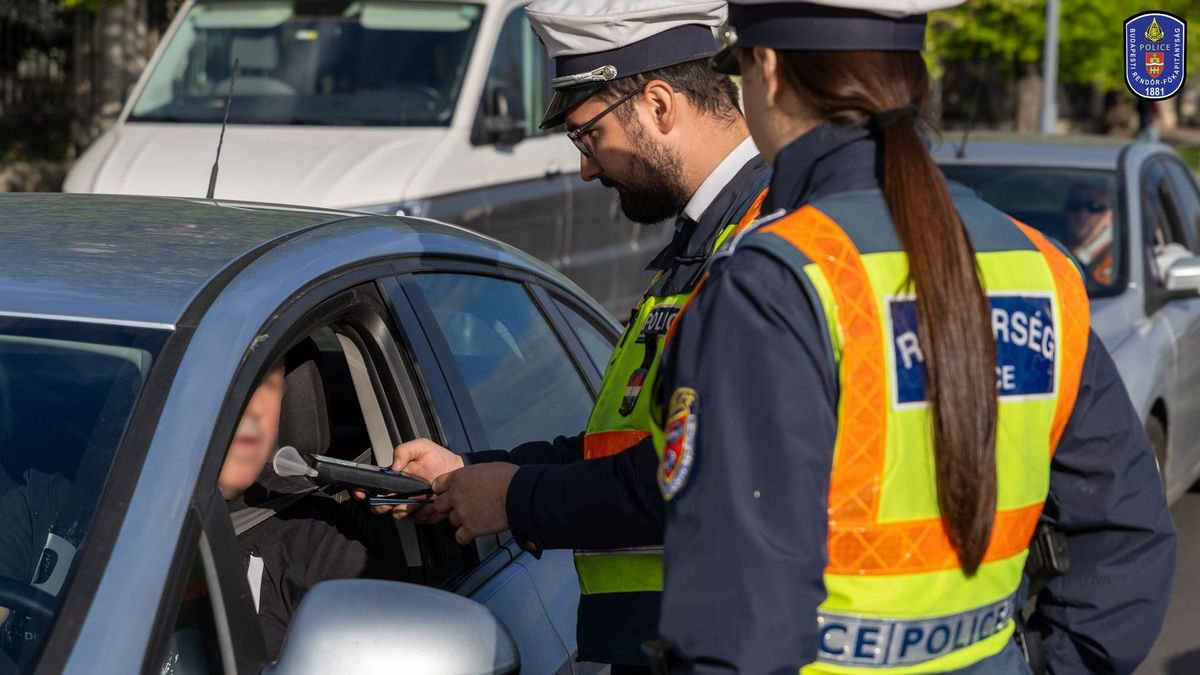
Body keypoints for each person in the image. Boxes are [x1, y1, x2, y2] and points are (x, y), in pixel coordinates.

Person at [652, 2, 1177, 673]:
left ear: (771, 70)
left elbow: (739, 627)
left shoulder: (775, 282)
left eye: (742, 75)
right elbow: (1128, 538)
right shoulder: (1041, 266)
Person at [368, 1, 771, 670]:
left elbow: (693, 479)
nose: (586, 167)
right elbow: (622, 445)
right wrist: (471, 472)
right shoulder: (711, 241)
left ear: (660, 105)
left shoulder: (759, 250)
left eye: (587, 135)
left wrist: (513, 497)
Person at [0, 357, 380, 660]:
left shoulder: (315, 534)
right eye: (222, 378)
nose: (251, 409)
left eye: (266, 382)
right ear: (144, 390)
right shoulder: (52, 506)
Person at [1063, 181, 1114, 287]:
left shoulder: (1117, 259)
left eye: (1094, 207)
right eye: (1075, 206)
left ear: (1109, 216)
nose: (1082, 214)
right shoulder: (1051, 245)